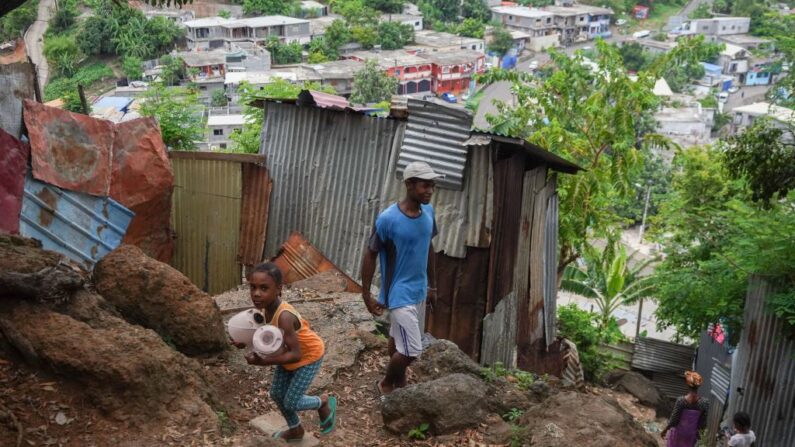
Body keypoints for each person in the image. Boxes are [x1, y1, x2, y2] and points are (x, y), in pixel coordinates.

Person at [361, 161, 441, 396]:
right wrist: (366, 293)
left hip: (418, 290)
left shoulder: (428, 212)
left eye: (432, 186)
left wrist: (432, 286)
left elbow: (429, 248)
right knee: (412, 350)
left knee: (397, 340)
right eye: (425, 185)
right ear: (409, 184)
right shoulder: (388, 219)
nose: (430, 191)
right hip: (399, 293)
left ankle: (400, 379)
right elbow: (370, 253)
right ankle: (386, 383)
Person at [234, 262, 336, 442]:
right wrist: (245, 342)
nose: (257, 293)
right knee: (276, 394)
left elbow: (296, 355)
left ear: (278, 289)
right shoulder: (265, 308)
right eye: (253, 287)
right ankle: (296, 430)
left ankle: (323, 402)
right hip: (286, 353)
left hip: (309, 356)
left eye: (264, 288)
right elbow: (265, 337)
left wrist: (264, 361)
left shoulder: (284, 316)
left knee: (292, 402)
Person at [662, 371, 710, 447]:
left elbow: (674, 420)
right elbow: (702, 423)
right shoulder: (704, 403)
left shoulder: (681, 401)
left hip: (678, 435)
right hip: (690, 436)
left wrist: (665, 430)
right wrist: (698, 436)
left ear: (688, 384)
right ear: (698, 386)